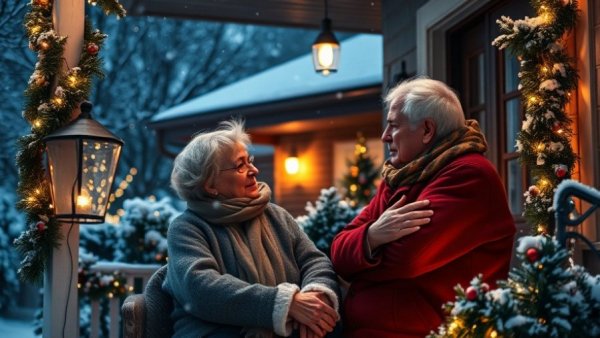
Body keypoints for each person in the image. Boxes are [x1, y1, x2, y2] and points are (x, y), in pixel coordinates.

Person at [330, 77, 516, 338]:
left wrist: (361, 257)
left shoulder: (468, 175)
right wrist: (372, 236)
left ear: (427, 130)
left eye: (393, 125)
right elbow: (338, 252)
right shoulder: (400, 176)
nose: (384, 137)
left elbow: (407, 259)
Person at [165, 119, 340, 338]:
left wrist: (315, 298)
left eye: (250, 161)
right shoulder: (187, 228)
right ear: (210, 185)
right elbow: (199, 288)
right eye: (240, 165)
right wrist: (285, 304)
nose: (254, 170)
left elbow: (314, 261)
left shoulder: (276, 215)